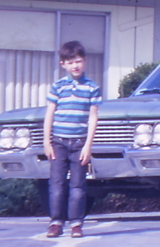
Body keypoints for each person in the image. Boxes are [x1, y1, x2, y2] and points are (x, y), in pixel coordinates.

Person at [43, 41, 102, 238]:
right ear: (63, 64)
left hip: (79, 144)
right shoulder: (58, 87)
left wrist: (88, 146)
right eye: (70, 62)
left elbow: (93, 117)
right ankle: (56, 222)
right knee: (57, 185)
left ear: (84, 61)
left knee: (77, 186)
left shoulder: (92, 88)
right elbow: (49, 114)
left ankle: (76, 223)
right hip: (58, 142)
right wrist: (47, 141)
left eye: (78, 61)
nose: (75, 65)